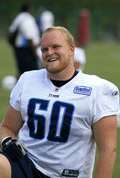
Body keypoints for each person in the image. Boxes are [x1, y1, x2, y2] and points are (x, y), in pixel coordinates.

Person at [0, 26, 119, 178]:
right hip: (26, 166)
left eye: (56, 47)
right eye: (44, 49)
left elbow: (108, 151)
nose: (49, 53)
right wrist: (7, 140)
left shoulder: (98, 89)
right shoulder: (27, 80)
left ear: (71, 50)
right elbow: (6, 127)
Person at [8, 3, 40, 79]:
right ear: (28, 9)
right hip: (27, 49)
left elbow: (10, 32)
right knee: (32, 71)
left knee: (21, 70)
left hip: (18, 48)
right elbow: (29, 37)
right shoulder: (27, 19)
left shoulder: (18, 18)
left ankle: (17, 87)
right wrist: (35, 53)